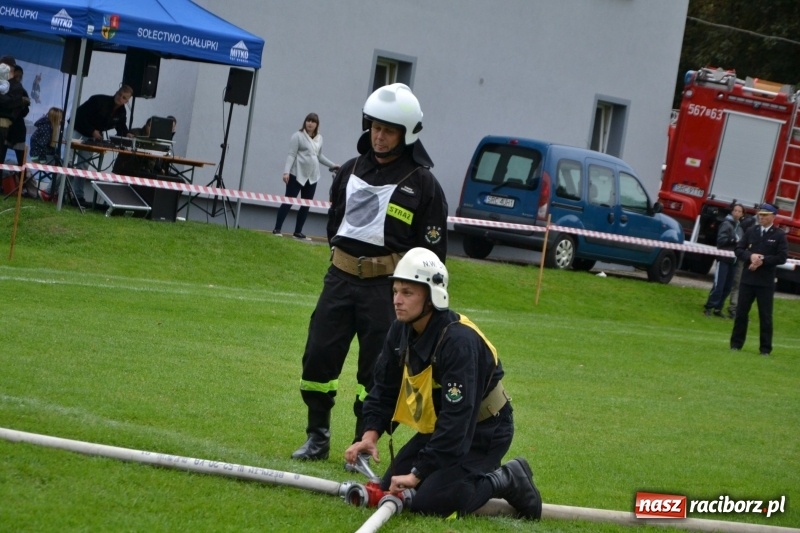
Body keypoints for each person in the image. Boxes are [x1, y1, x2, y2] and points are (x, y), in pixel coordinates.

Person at [291, 83, 448, 461]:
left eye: (389, 130)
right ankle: (317, 436)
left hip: (387, 290)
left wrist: (413, 299)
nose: (379, 136)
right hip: (340, 281)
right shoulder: (347, 171)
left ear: (406, 134)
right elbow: (334, 225)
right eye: (375, 127)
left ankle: (364, 443)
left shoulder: (423, 185)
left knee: (377, 370)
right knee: (318, 357)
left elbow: (432, 254)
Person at [344, 248, 542, 519]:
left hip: (485, 429)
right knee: (388, 483)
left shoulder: (458, 342)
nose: (397, 300)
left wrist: (418, 474)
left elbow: (459, 422)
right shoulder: (400, 329)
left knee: (431, 501)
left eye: (407, 293)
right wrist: (370, 435)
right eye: (395, 291)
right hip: (444, 427)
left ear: (432, 297)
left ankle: (508, 477)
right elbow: (385, 388)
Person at [730, 203, 788, 356]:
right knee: (741, 313)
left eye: (765, 215)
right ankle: (736, 344)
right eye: (760, 214)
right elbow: (738, 250)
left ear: (773, 217)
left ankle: (765, 349)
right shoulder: (751, 231)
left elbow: (782, 257)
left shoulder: (779, 235)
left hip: (765, 282)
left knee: (765, 316)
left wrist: (763, 260)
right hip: (748, 280)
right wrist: (750, 256)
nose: (761, 217)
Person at [273, 113, 339, 240]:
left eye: (313, 121)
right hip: (296, 174)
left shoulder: (320, 138)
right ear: (305, 122)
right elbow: (291, 154)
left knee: (306, 204)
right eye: (308, 121)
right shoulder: (297, 136)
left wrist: (333, 165)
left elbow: (319, 156)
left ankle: (298, 232)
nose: (310, 123)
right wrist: (286, 172)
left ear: (316, 124)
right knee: (288, 201)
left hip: (312, 177)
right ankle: (277, 228)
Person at [70, 85, 133, 207]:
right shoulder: (98, 100)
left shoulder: (122, 112)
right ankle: (55, 191)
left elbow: (121, 127)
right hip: (76, 128)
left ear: (127, 101)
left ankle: (78, 196)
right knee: (67, 161)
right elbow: (79, 116)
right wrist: (92, 130)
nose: (120, 98)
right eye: (120, 94)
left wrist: (127, 134)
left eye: (124, 98)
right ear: (116, 92)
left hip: (91, 136)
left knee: (83, 165)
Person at [703, 203, 744, 317]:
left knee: (728, 286)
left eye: (739, 211)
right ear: (732, 212)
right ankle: (709, 307)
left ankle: (718, 308)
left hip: (734, 260)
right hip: (724, 258)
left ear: (742, 214)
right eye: (735, 210)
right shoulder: (726, 224)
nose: (736, 213)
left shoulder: (740, 228)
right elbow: (721, 241)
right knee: (719, 285)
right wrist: (733, 240)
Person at [727, 211, 756, 319]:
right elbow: (741, 245)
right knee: (738, 283)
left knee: (748, 287)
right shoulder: (749, 223)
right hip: (744, 259)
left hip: (754, 261)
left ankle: (742, 310)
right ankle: (734, 308)